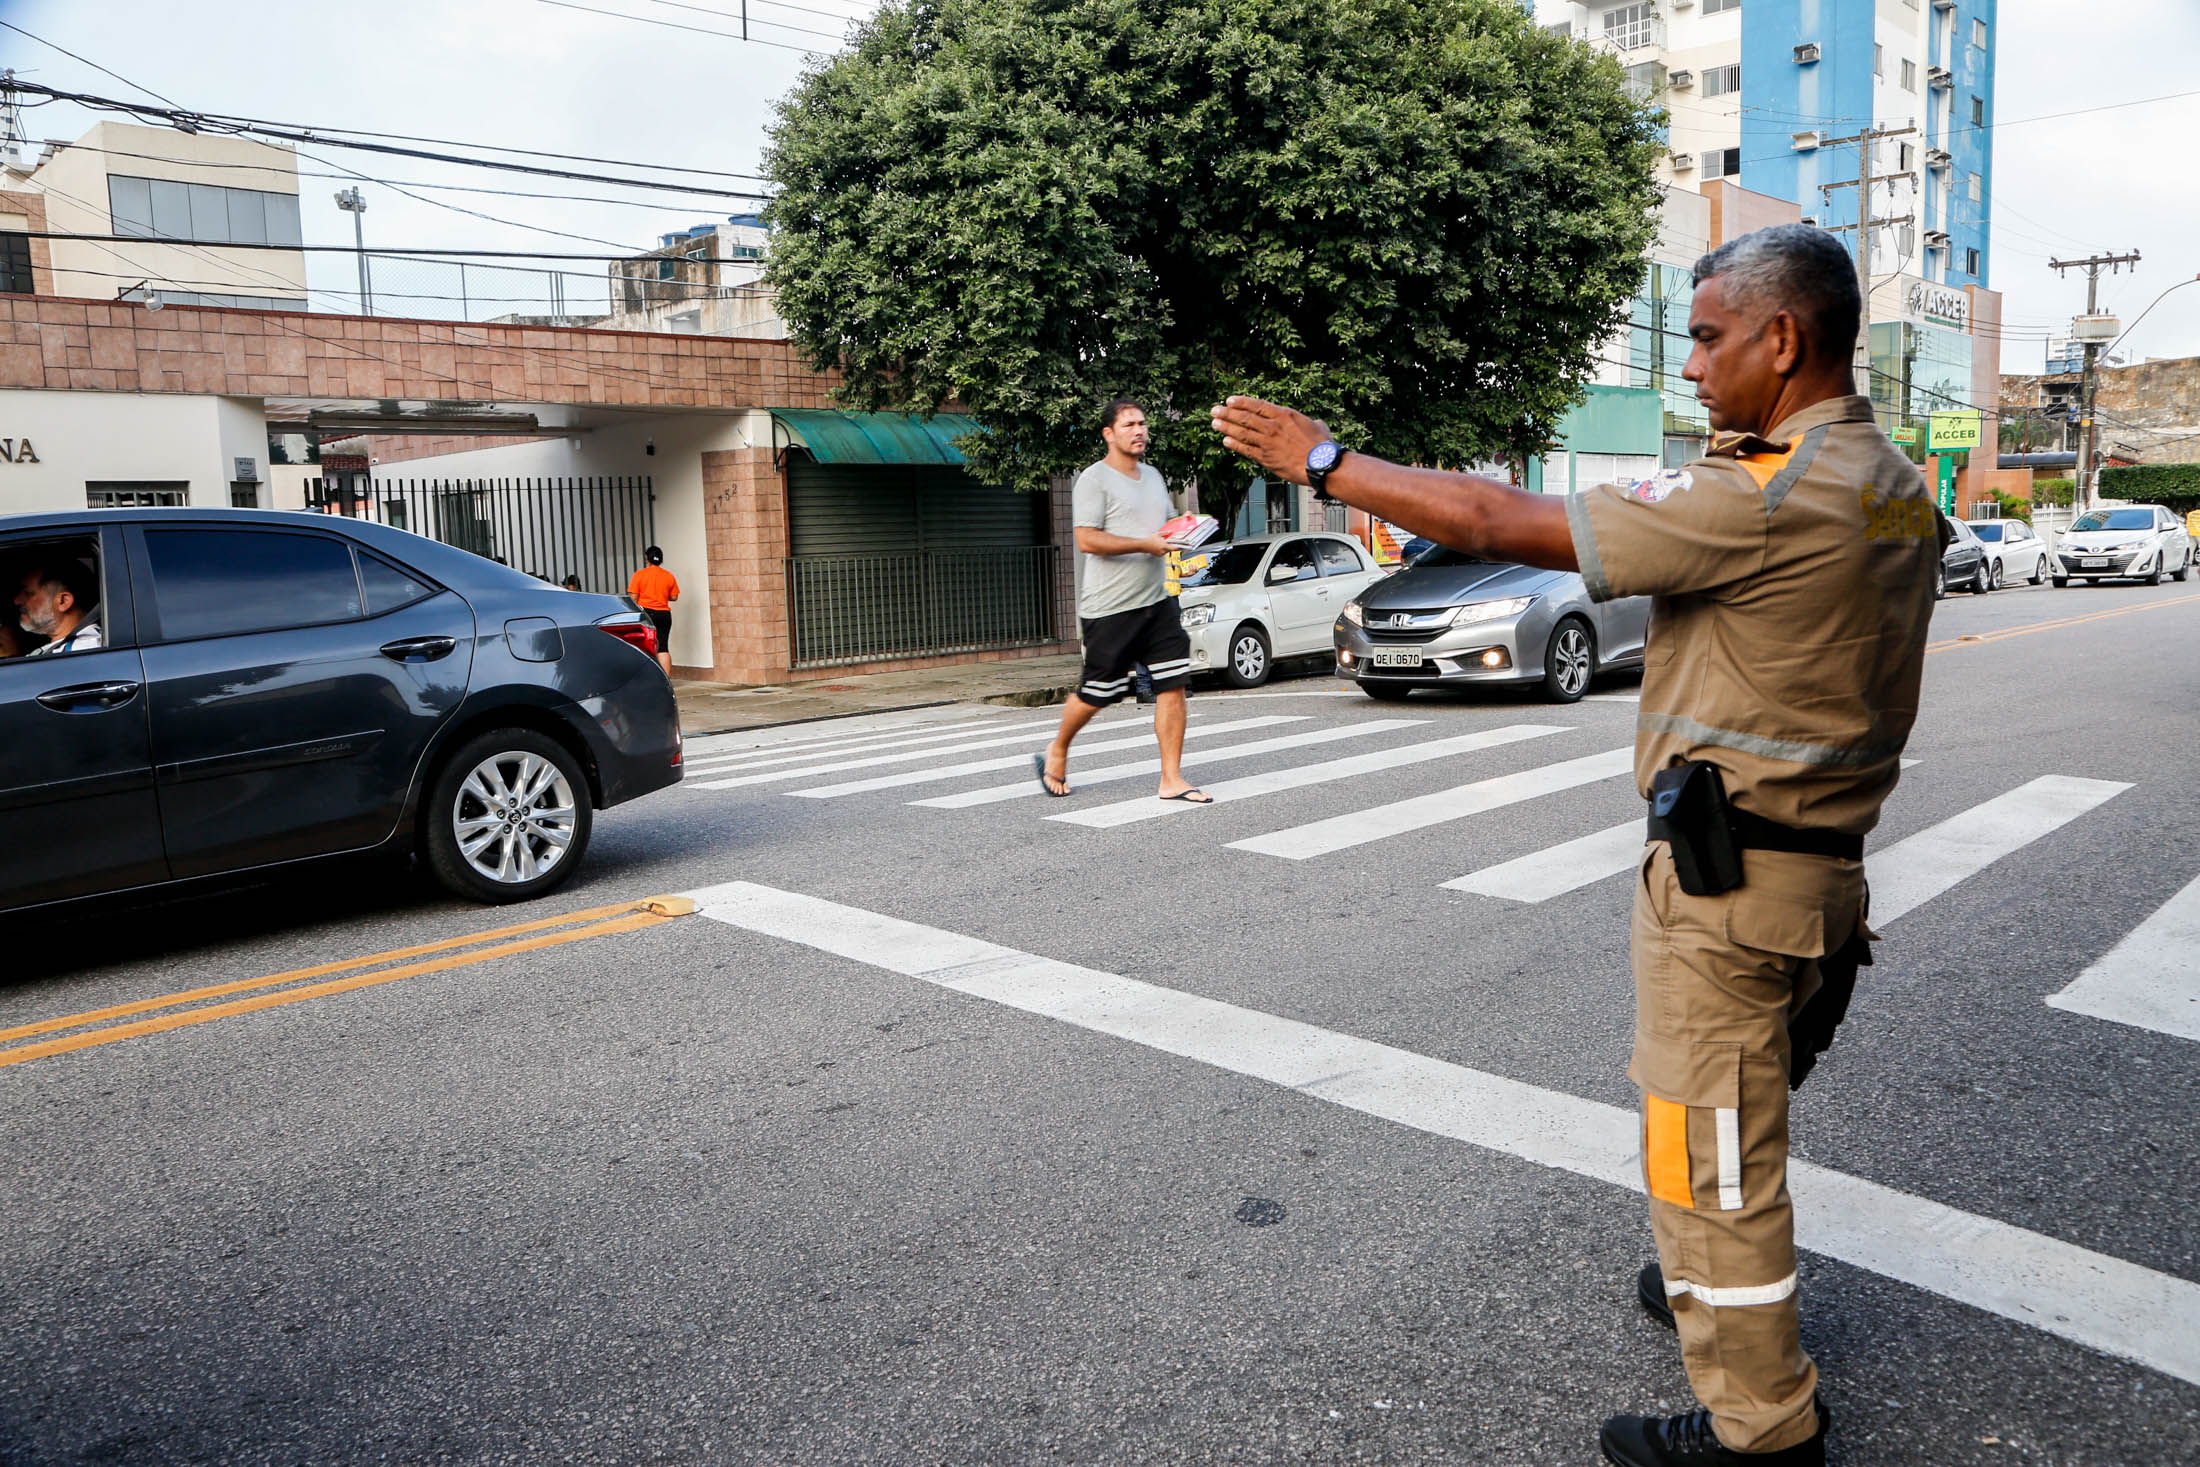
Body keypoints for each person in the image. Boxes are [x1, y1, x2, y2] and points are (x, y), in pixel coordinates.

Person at [1210, 223, 1941, 1467]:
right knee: (1730, 1122)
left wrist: (1323, 459)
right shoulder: (1888, 479)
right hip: (1816, 873)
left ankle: (1763, 1428)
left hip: (1733, 885)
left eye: (1710, 341)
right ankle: (1703, 1280)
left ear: (1783, 338)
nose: (1694, 370)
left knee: (1706, 1147)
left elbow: (1499, 515)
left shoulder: (1763, 494)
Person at [1036, 399, 1209, 803]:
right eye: (1129, 424)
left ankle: (1171, 778)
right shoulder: (1094, 480)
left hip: (1156, 601)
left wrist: (1185, 535)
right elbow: (1086, 539)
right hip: (1110, 607)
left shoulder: (1153, 476)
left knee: (1173, 683)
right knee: (1099, 692)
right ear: (1109, 434)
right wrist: (1144, 544)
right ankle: (1058, 747)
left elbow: (1164, 528)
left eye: (1143, 423)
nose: (1139, 430)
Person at [16, 559, 103, 657]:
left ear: (63, 601)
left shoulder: (86, 649)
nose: (17, 601)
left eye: (28, 594)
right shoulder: (70, 650)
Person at [627, 546, 679, 677]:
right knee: (662, 648)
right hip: (664, 614)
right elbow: (674, 597)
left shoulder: (639, 575)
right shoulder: (668, 575)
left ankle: (648, 678)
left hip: (646, 614)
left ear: (646, 558)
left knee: (645, 647)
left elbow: (633, 598)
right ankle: (666, 681)